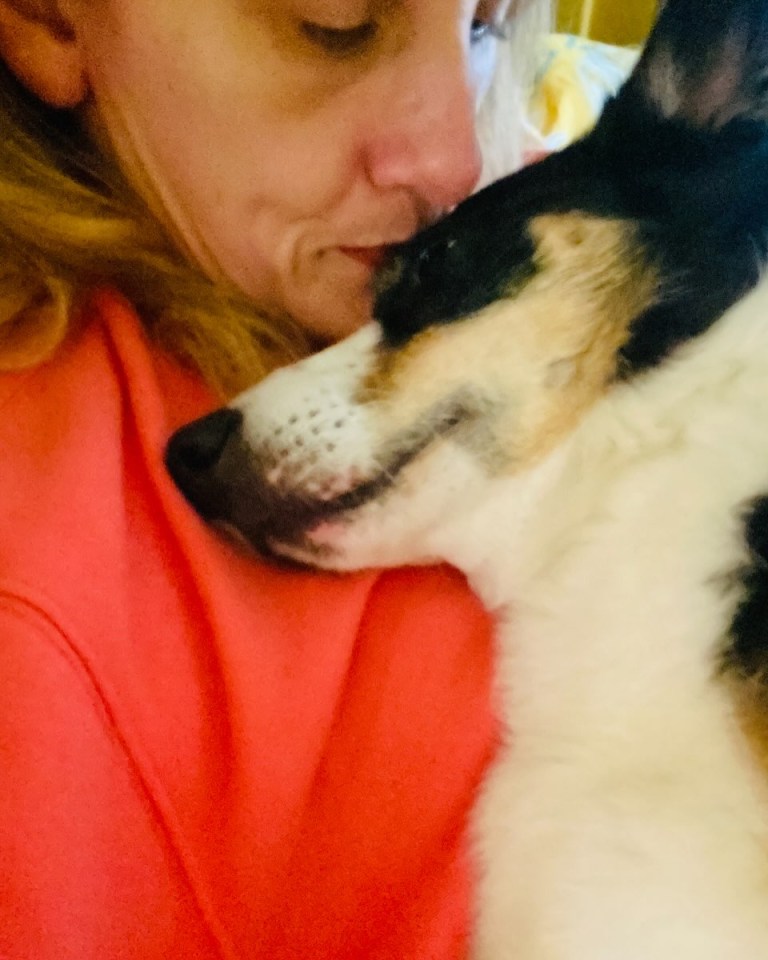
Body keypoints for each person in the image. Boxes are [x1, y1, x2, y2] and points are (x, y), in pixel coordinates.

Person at [0, 1, 548, 957]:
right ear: (48, 15)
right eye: (334, 25)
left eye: (485, 28)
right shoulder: (49, 619)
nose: (457, 162)